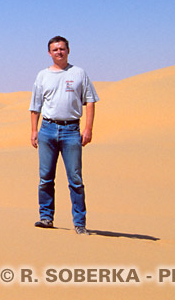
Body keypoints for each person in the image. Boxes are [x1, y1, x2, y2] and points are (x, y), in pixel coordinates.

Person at [30, 35, 99, 235]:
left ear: (68, 50)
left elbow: (91, 101)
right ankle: (46, 217)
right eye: (55, 49)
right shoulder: (42, 75)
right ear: (49, 53)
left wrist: (88, 128)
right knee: (45, 178)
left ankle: (79, 223)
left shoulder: (79, 73)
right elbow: (35, 106)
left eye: (62, 48)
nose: (59, 52)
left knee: (75, 179)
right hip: (48, 129)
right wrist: (34, 131)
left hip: (71, 131)